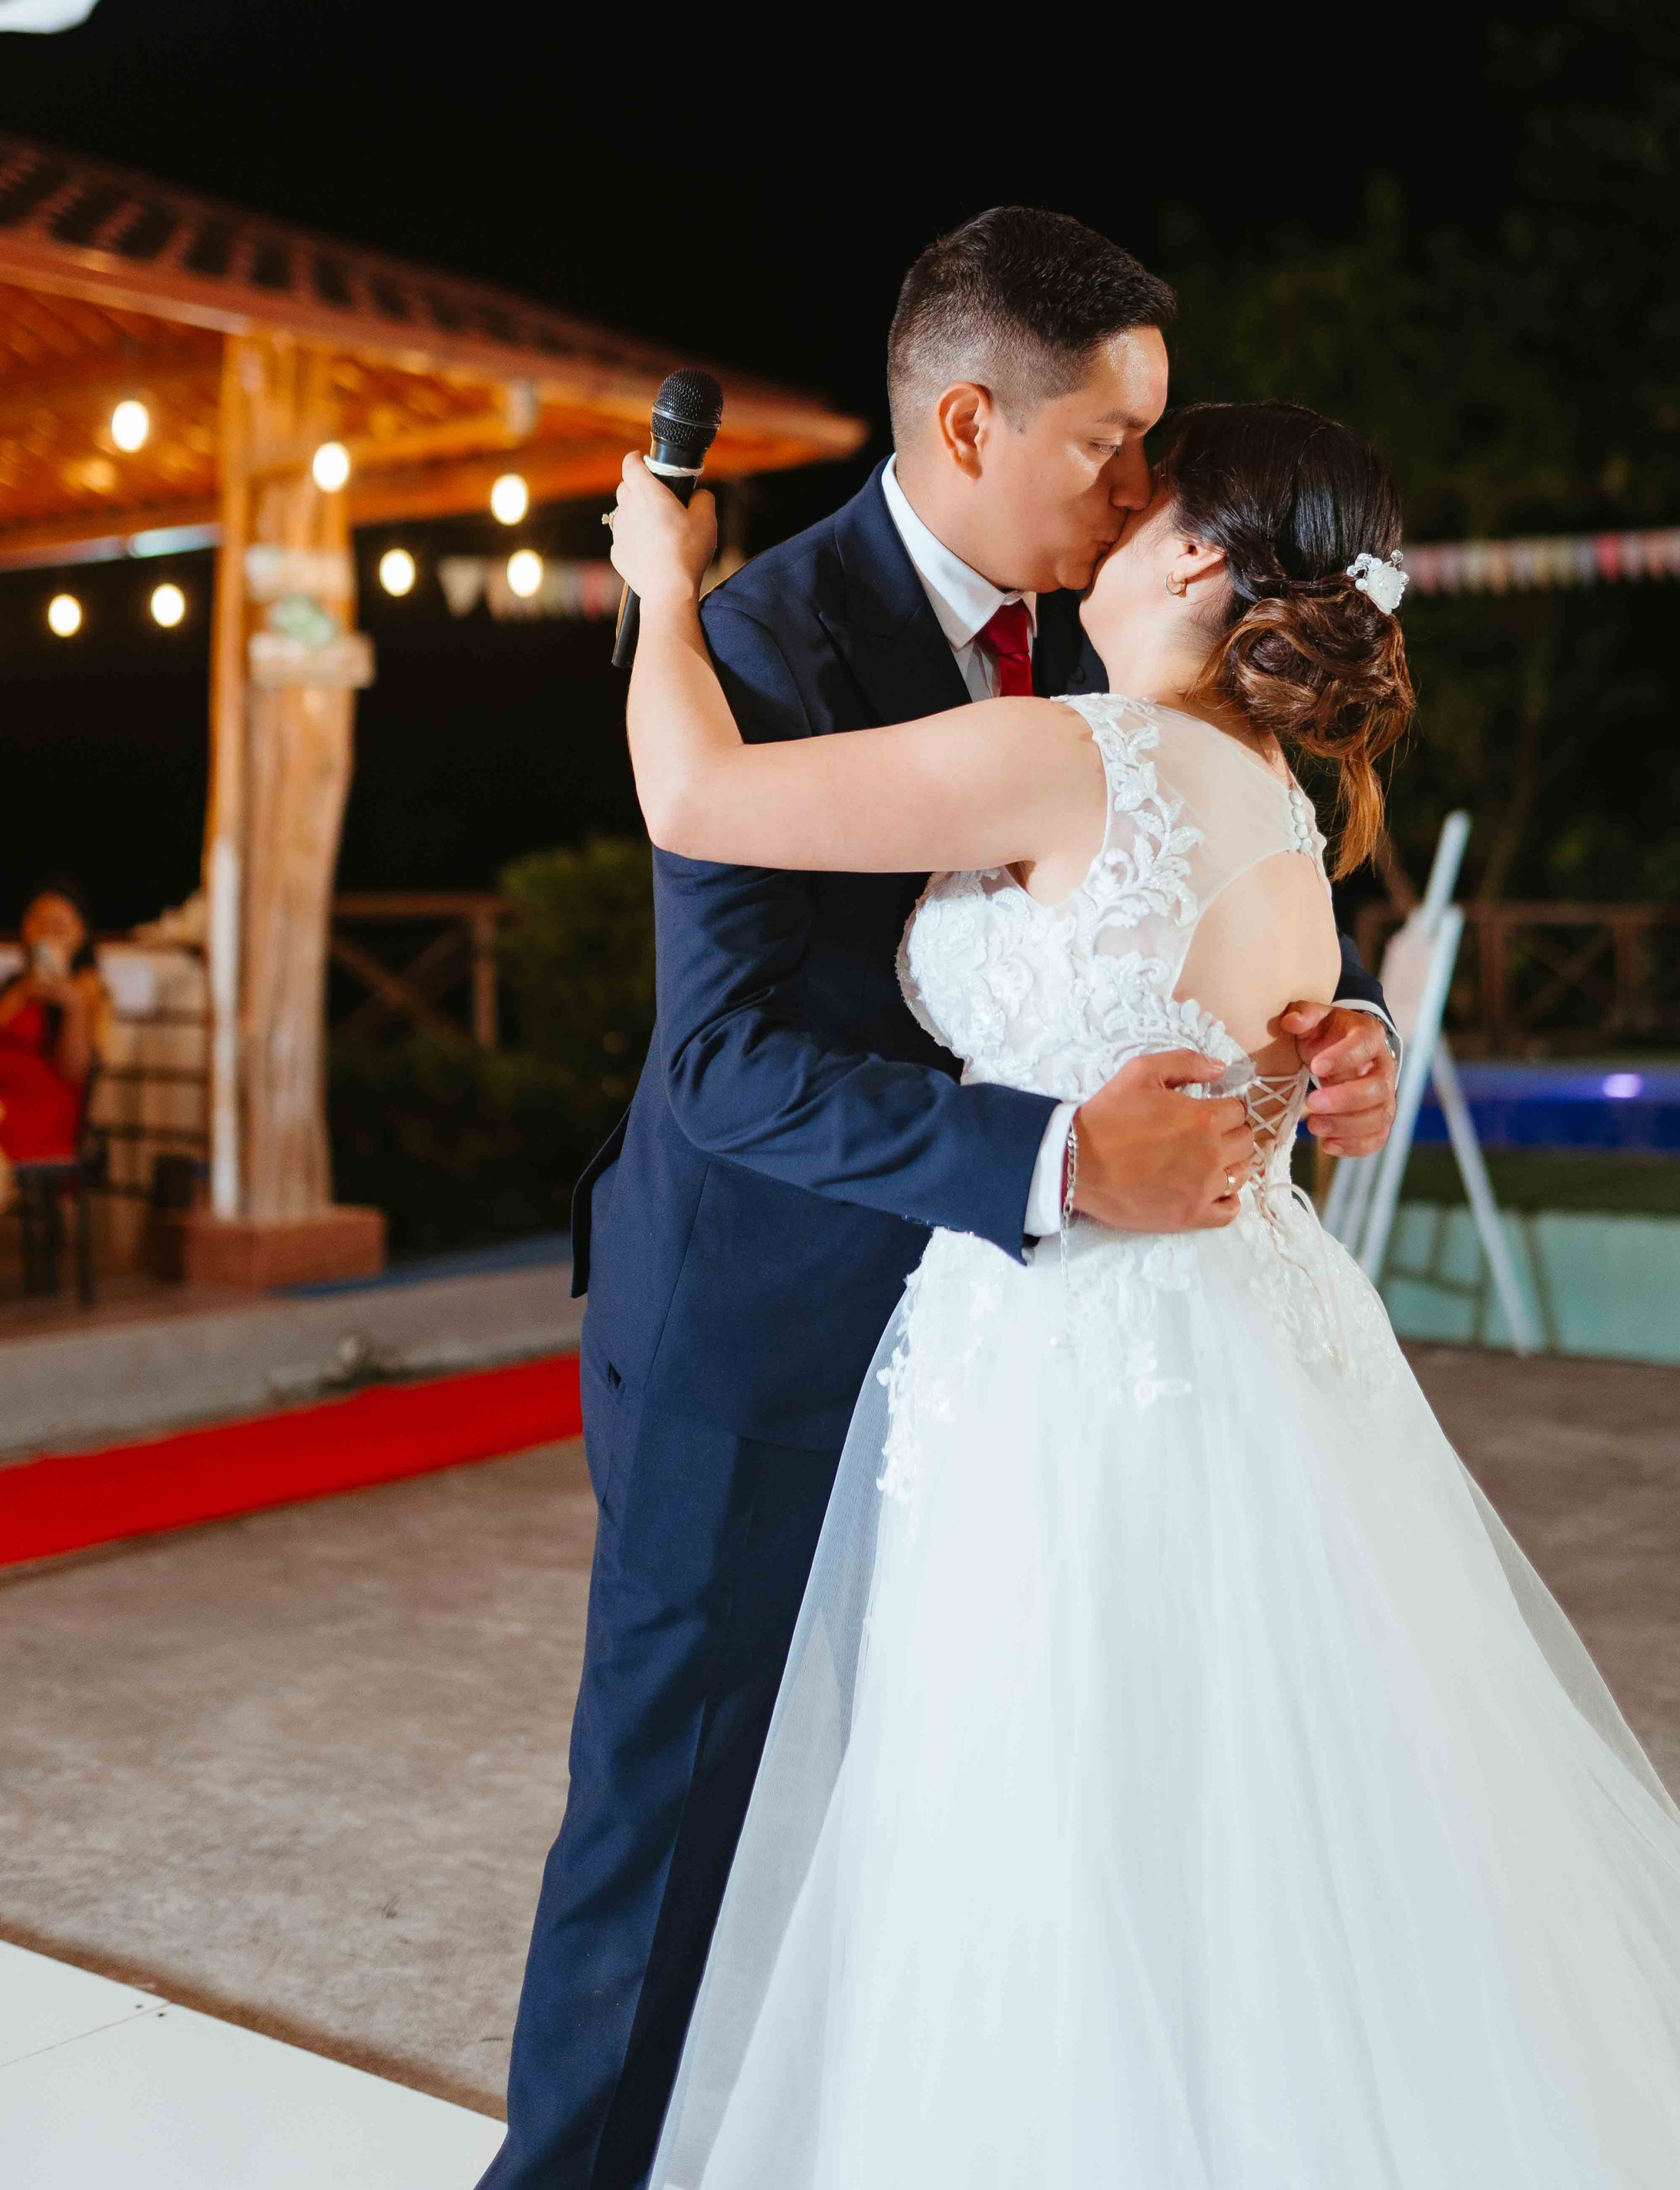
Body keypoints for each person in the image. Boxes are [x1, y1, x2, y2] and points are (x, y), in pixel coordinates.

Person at [604, 394, 1680, 2189]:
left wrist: (657, 585)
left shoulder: (1064, 748)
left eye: (1129, 496)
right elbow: (1253, 1047)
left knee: (1065, 1829)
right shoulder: (1276, 800)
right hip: (1243, 1345)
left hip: (1068, 1354)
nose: (1096, 522)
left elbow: (695, 796)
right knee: (1260, 1832)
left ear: (1184, 554)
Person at [483, 212, 1402, 2190]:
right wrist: (1059, 1160)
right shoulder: (756, 642)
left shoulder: (1141, 661)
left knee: (1013, 1837)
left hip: (1042, 1384)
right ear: (972, 422)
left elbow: (1190, 913)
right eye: (1115, 447)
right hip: (766, 1327)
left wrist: (1314, 1044)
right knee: (666, 1837)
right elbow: (718, 1063)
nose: (1154, 491)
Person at [0, 879, 110, 1196]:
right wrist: (20, 997)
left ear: (81, 933)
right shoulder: (15, 988)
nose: (47, 933)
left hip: (41, 1121)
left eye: (59, 925)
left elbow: (74, 1072)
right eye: (38, 923)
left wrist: (73, 1009)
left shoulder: (88, 991)